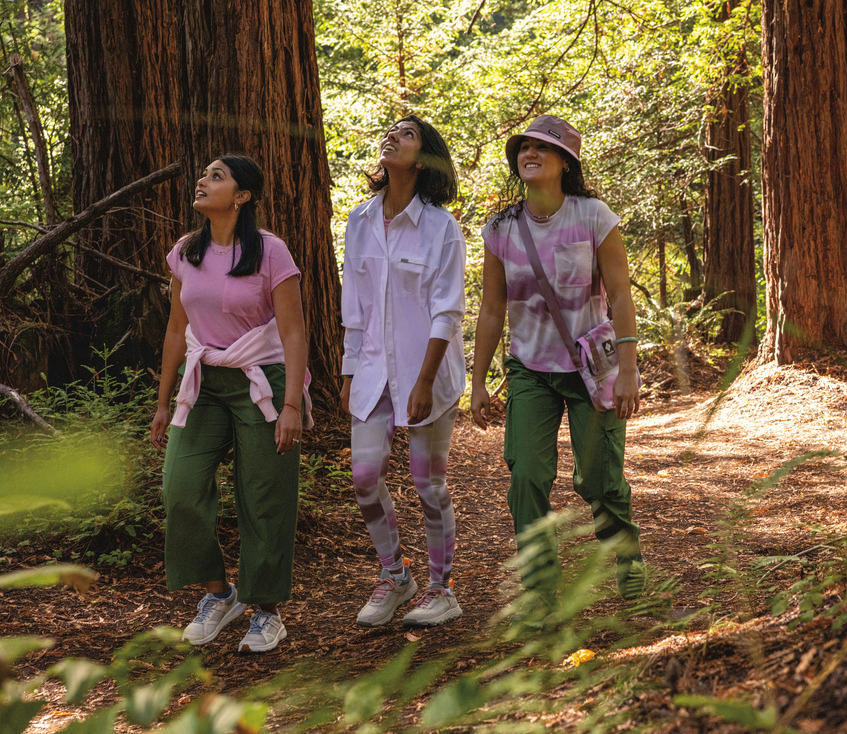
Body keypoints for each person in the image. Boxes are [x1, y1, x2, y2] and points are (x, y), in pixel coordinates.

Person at [470, 115, 646, 603]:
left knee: (600, 481)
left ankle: (628, 561)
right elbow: (491, 308)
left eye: (543, 148)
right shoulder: (502, 229)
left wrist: (629, 368)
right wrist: (478, 380)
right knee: (526, 476)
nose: (530, 154)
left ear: (566, 163)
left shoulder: (593, 216)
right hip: (530, 371)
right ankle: (541, 590)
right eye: (524, 147)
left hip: (593, 370)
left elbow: (620, 295)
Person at [150, 154, 310, 653]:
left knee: (265, 494)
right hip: (205, 382)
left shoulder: (270, 252)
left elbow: (293, 331)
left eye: (216, 176)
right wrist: (163, 401)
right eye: (205, 174)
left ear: (242, 196)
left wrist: (291, 406)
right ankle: (219, 594)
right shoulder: (185, 251)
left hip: (262, 379)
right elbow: (177, 329)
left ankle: (267, 611)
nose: (202, 180)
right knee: (180, 486)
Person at [341, 115, 466, 627]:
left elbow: (448, 311)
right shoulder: (360, 220)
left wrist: (422, 381)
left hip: (428, 376)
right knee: (364, 476)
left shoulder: (441, 226)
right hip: (371, 373)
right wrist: (349, 371)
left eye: (408, 134)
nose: (392, 135)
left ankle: (441, 590)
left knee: (428, 485)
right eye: (389, 129)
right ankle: (395, 576)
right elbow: (356, 305)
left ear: (424, 157)